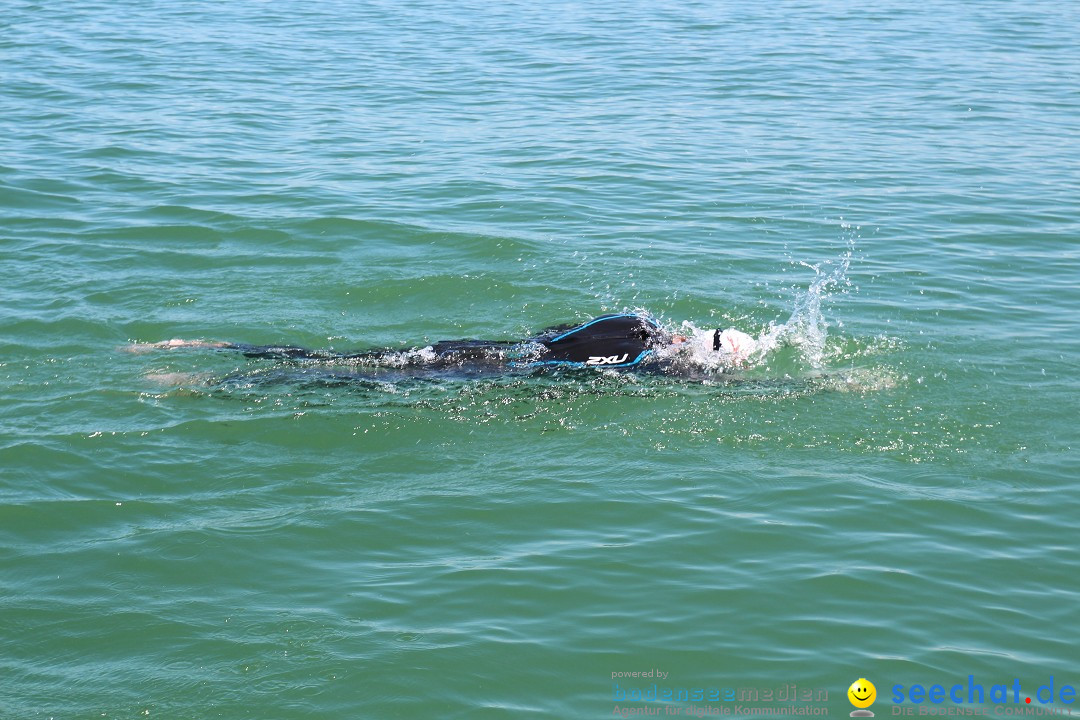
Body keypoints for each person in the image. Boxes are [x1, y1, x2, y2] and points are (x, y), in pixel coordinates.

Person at [132, 312, 758, 374]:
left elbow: (558, 332)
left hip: (480, 347)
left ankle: (211, 347)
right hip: (481, 373)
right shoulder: (651, 361)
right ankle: (205, 377)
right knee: (346, 377)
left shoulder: (635, 318)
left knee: (354, 361)